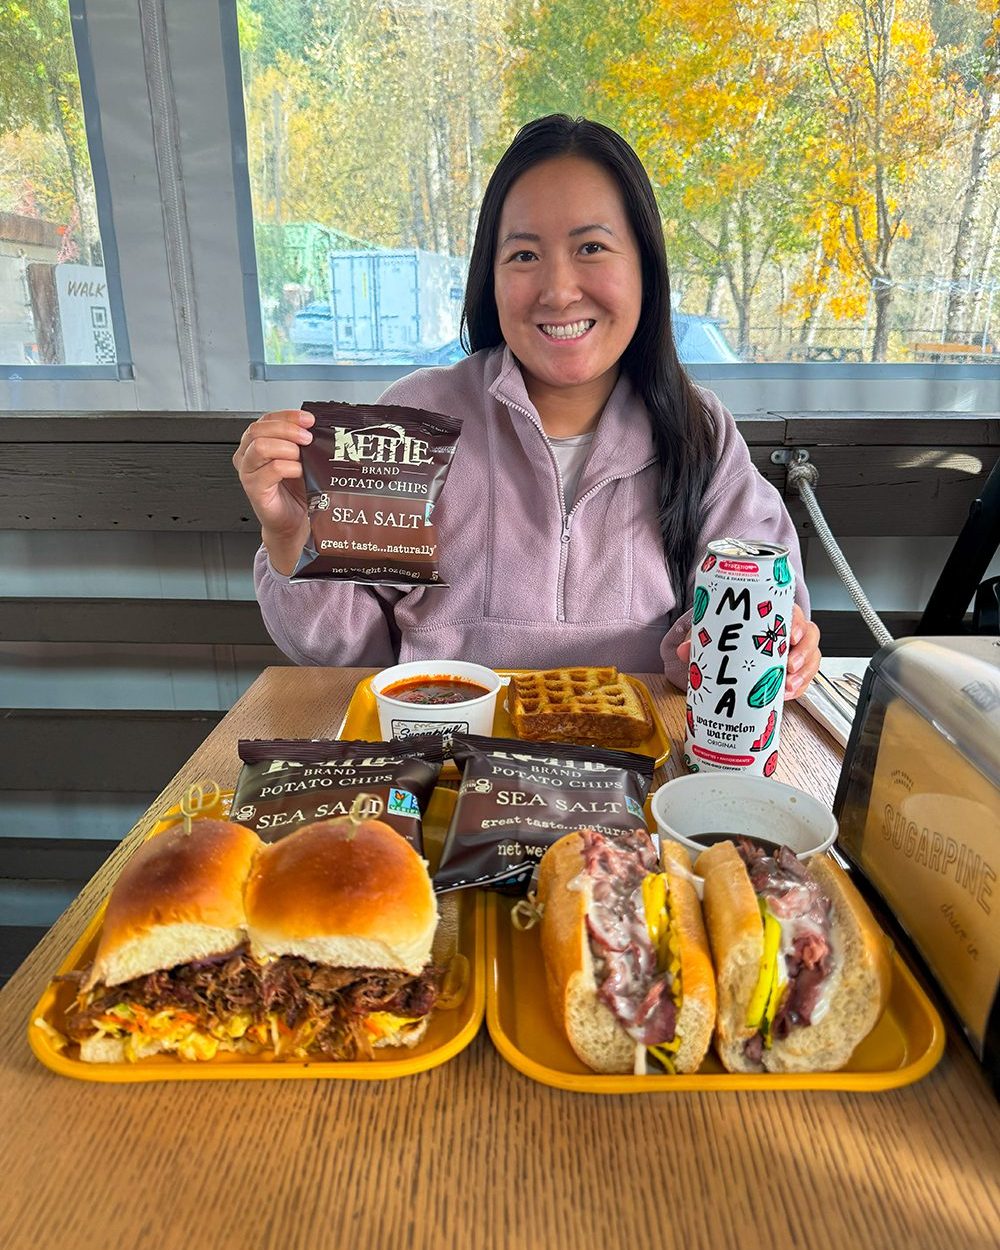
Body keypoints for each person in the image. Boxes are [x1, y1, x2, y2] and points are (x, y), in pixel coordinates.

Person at [234, 114, 821, 697]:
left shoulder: (699, 433)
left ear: (646, 266)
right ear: (488, 277)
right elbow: (348, 654)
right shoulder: (415, 422)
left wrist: (772, 639)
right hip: (444, 747)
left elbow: (754, 617)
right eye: (523, 255)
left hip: (638, 751)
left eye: (592, 247)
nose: (559, 291)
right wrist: (293, 537)